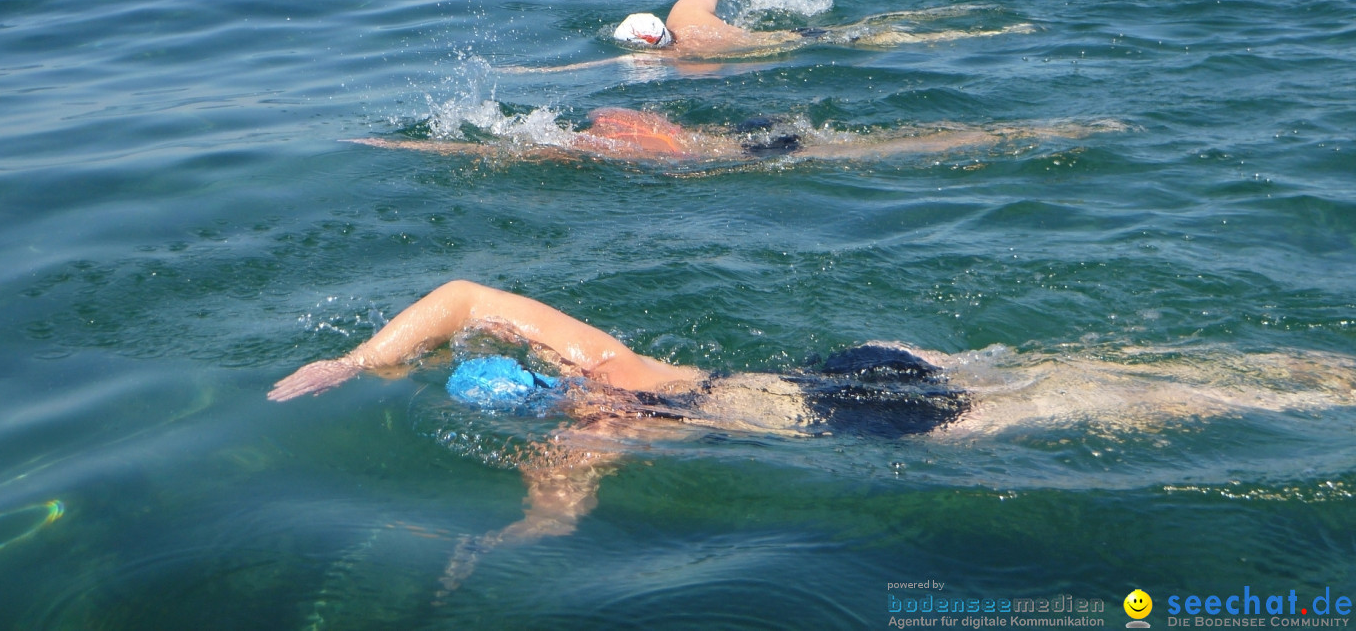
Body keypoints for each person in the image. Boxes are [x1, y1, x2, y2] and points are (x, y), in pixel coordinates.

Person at [269, 279, 1356, 593]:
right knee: (1073, 372)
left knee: (1099, 404)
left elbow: (553, 529)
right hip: (838, 364)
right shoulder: (599, 361)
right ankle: (1323, 378)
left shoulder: (588, 425)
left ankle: (1321, 400)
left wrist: (481, 552)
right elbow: (462, 292)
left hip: (844, 417)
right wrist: (363, 357)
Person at [506, 0, 1035, 72]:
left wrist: (532, 74)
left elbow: (581, 71)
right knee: (890, 22)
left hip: (794, 45)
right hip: (804, 32)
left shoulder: (691, 61)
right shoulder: (686, 15)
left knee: (885, 41)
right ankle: (981, 23)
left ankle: (991, 31)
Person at [351, 106, 1123, 166]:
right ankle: (1017, 130)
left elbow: (496, 151)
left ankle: (1008, 136)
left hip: (737, 158)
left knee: (882, 151)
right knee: (874, 141)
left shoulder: (594, 142)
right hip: (747, 135)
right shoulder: (619, 119)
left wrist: (412, 148)